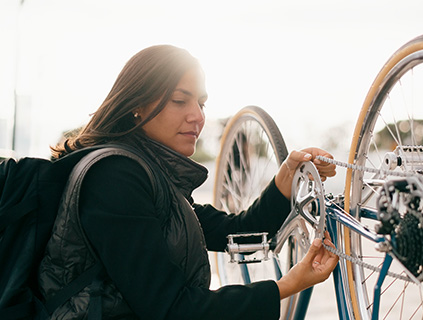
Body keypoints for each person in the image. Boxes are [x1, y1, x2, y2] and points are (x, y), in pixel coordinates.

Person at [39, 44, 338, 319]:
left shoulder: (151, 176)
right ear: (137, 105)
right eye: (180, 101)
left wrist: (286, 175)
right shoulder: (115, 178)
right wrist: (285, 286)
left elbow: (236, 232)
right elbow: (171, 308)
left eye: (202, 104)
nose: (197, 116)